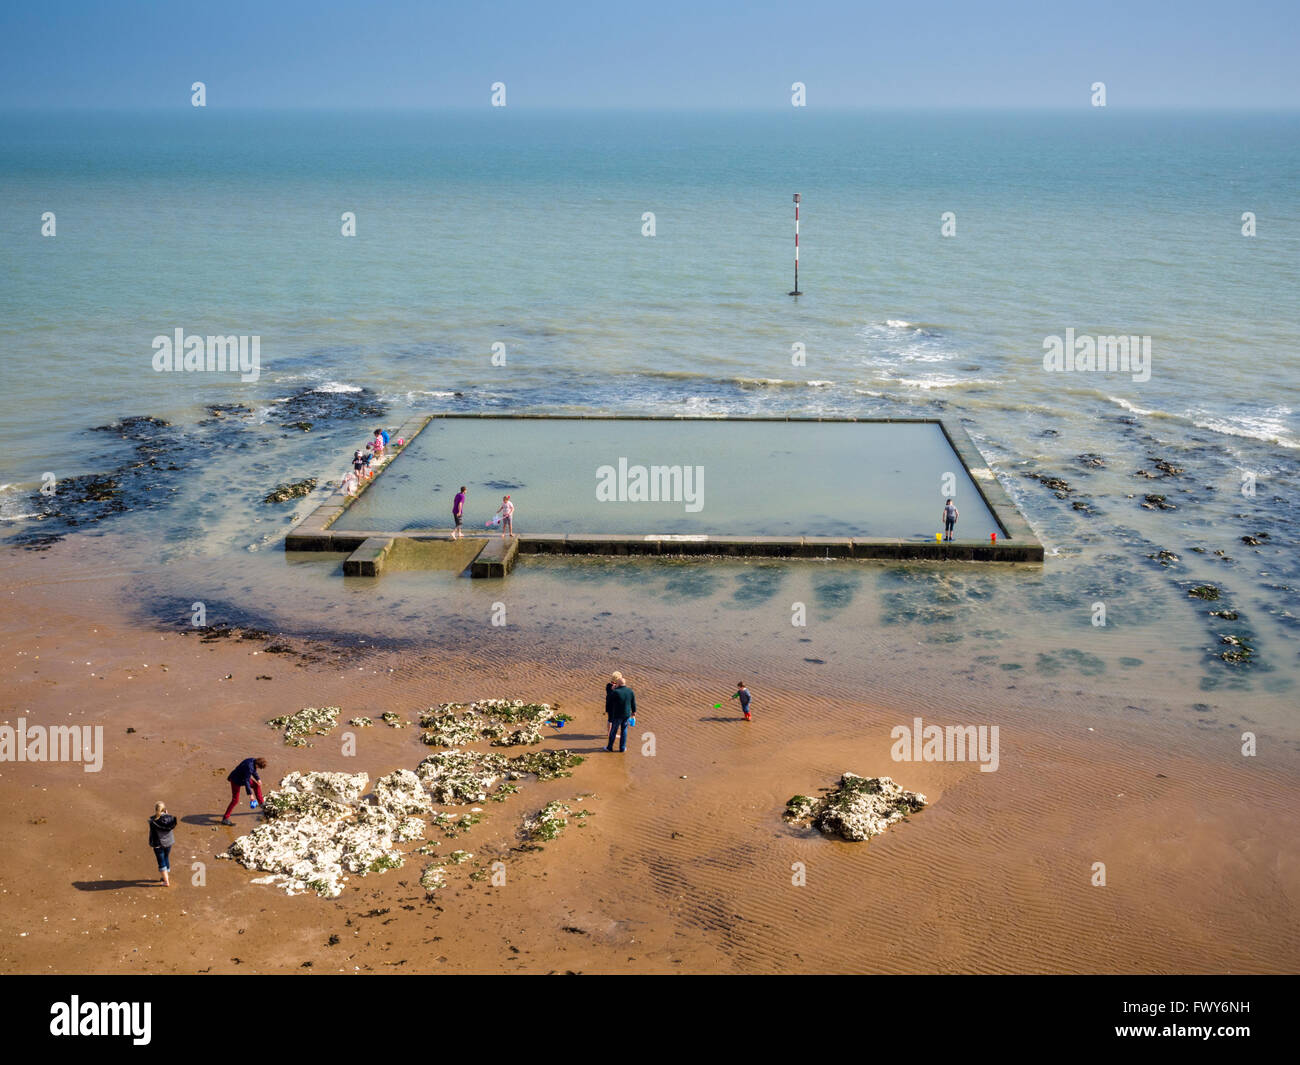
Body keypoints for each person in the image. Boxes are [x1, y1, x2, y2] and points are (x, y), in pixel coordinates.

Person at [222, 757, 267, 825]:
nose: (258, 769)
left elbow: (253, 771)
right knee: (235, 800)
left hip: (242, 777)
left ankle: (261, 803)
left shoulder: (253, 760)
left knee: (256, 785)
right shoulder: (249, 767)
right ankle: (225, 818)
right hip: (235, 780)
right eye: (259, 767)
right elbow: (247, 781)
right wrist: (251, 795)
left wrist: (258, 779)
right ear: (257, 764)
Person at [604, 671, 636, 752]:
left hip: (617, 714)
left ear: (618, 683)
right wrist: (634, 712)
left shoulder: (615, 692)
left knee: (614, 730)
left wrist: (607, 709)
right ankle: (622, 748)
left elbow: (609, 700)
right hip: (627, 714)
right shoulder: (630, 691)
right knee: (624, 730)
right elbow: (633, 703)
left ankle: (609, 747)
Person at [148, 801, 177, 887]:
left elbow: (152, 834)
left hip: (159, 844)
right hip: (169, 842)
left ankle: (166, 881)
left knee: (161, 862)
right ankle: (165, 876)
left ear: (156, 810)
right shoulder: (171, 819)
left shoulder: (153, 821)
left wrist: (152, 844)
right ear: (165, 810)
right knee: (166, 857)